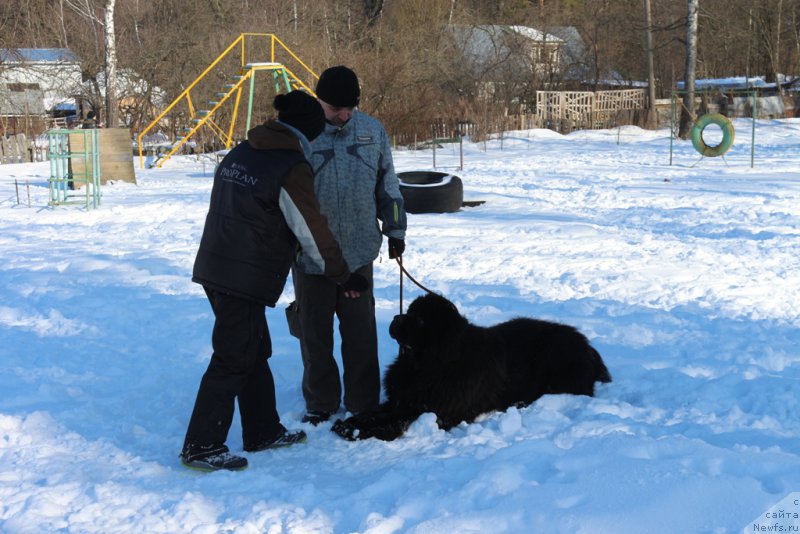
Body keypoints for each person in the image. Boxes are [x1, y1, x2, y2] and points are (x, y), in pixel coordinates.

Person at [180, 90, 368, 472]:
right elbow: (311, 230)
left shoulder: (243, 151)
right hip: (242, 273)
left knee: (253, 347)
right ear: (309, 131)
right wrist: (342, 275)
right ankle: (201, 444)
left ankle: (263, 429)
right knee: (234, 356)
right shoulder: (289, 164)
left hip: (218, 265)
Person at [292, 66, 407, 425]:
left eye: (349, 108)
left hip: (358, 253)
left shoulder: (372, 131)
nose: (343, 115)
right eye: (334, 108)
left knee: (360, 334)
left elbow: (388, 185)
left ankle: (362, 400)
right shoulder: (300, 136)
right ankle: (321, 402)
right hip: (311, 257)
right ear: (319, 101)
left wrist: (396, 230)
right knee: (315, 334)